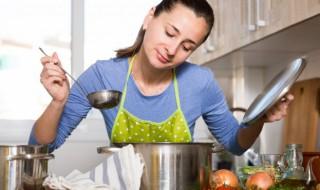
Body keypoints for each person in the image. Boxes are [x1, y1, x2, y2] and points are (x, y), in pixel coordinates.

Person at [29, 0, 293, 154]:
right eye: (170, 32)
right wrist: (57, 103)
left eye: (187, 46)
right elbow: (41, 147)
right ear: (149, 18)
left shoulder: (200, 82)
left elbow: (235, 143)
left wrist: (259, 119)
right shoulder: (102, 75)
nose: (172, 50)